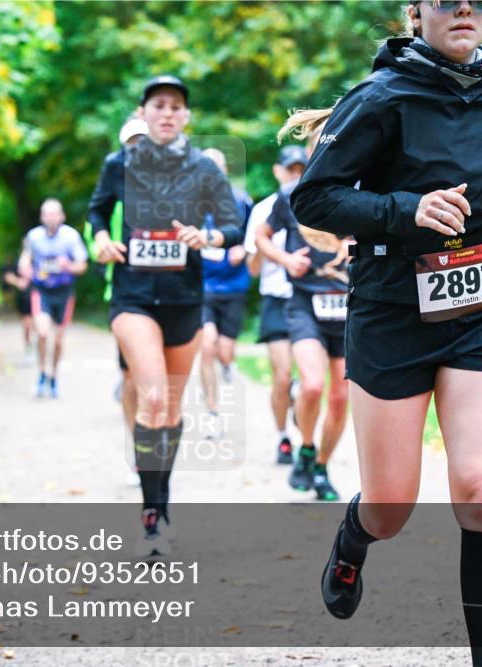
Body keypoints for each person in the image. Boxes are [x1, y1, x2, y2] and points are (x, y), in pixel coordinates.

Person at [289, 2, 482, 665]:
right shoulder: (379, 97)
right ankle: (353, 541)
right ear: (415, 12)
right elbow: (313, 199)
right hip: (392, 311)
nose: (463, 9)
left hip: (479, 308)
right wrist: (407, 209)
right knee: (392, 505)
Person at [88, 75, 243, 556]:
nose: (168, 113)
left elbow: (234, 225)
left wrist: (209, 238)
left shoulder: (202, 169)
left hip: (183, 298)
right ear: (143, 113)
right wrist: (99, 239)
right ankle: (150, 515)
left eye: (176, 106)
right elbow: (96, 213)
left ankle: (162, 504)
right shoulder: (120, 164)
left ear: (186, 117)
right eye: (159, 105)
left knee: (172, 410)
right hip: (133, 297)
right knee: (153, 397)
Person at [255, 118, 350, 502]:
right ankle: (306, 446)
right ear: (312, 149)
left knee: (341, 398)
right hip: (305, 302)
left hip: (347, 306)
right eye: (321, 143)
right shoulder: (292, 194)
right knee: (311, 385)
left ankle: (322, 467)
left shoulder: (360, 191)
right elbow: (261, 236)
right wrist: (283, 258)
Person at [84, 115, 150, 487]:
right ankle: (138, 450)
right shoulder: (114, 177)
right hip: (124, 287)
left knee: (152, 379)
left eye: (145, 141)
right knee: (132, 377)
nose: (138, 149)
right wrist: (102, 241)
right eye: (132, 143)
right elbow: (94, 217)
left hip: (167, 289)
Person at [244, 146, 309, 464]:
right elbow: (252, 270)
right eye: (290, 169)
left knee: (310, 376)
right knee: (281, 374)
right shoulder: (263, 210)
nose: (295, 175)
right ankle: (282, 436)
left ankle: (301, 407)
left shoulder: (314, 203)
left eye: (301, 169)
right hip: (275, 297)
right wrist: (263, 247)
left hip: (310, 298)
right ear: (277, 171)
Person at [199, 148, 251, 438]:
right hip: (202, 286)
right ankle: (212, 412)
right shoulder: (189, 203)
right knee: (207, 346)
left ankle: (228, 365)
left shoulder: (241, 200)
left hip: (233, 285)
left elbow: (258, 233)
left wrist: (243, 248)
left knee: (224, 350)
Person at [19, 198, 89, 398]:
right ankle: (42, 373)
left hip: (64, 292)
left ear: (61, 216)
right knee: (41, 333)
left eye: (53, 213)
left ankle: (54, 377)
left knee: (58, 340)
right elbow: (25, 259)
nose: (50, 217)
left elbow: (83, 266)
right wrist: (24, 267)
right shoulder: (34, 236)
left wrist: (68, 266)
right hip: (41, 291)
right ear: (42, 217)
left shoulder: (71, 236)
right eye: (46, 213)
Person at [1, 263, 33, 356]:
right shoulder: (20, 263)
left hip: (42, 298)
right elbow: (7, 276)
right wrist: (18, 282)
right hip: (26, 298)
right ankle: (28, 346)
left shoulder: (45, 257)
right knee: (27, 325)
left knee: (40, 326)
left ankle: (38, 346)